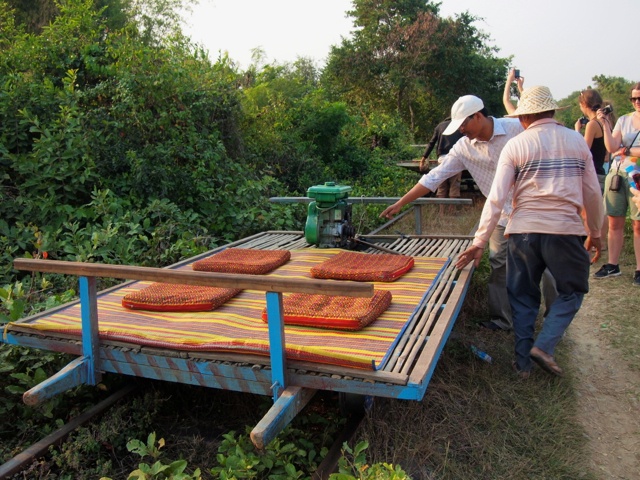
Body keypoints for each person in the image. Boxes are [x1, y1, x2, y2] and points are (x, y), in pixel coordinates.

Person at [456, 86, 604, 378]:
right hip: (564, 231)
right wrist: (596, 232)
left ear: (523, 118)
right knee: (572, 291)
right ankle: (545, 345)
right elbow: (592, 193)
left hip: (522, 232)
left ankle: (523, 364)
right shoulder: (576, 141)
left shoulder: (516, 146)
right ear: (551, 112)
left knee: (522, 297)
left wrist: (479, 241)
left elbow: (496, 198)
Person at [380, 94, 524, 331]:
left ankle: (547, 318)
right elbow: (435, 177)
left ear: (478, 116)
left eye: (464, 124)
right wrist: (401, 202)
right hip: (500, 214)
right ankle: (503, 320)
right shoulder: (464, 147)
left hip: (531, 209)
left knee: (536, 263)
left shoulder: (515, 128)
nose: (462, 130)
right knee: (499, 265)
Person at [594, 82, 640, 286]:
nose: (637, 102)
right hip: (617, 174)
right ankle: (613, 264)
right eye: (634, 98)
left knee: (638, 224)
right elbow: (612, 146)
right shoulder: (624, 120)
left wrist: (628, 151)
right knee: (614, 220)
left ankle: (639, 269)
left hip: (636, 176)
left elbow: (620, 150)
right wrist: (604, 123)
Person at [575, 89, 613, 244]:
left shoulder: (592, 124)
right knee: (600, 210)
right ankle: (600, 242)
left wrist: (577, 131)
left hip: (592, 172)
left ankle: (590, 242)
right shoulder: (605, 121)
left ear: (584, 104)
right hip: (602, 169)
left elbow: (583, 149)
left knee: (588, 213)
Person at [420, 117, 464, 202]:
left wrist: (423, 159)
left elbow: (431, 143)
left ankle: (441, 211)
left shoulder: (439, 126)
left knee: (441, 185)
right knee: (454, 185)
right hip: (457, 158)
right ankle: (452, 210)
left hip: (442, 158)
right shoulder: (459, 125)